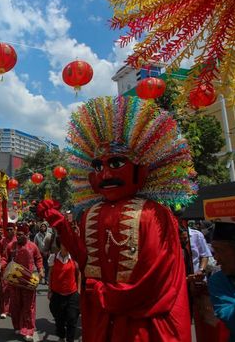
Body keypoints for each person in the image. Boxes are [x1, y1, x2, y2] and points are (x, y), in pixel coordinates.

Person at [38, 96, 196, 342]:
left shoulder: (154, 213)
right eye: (98, 166)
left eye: (116, 163)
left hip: (141, 323)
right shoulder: (91, 213)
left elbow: (156, 274)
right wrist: (58, 222)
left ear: (140, 168)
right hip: (101, 321)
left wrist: (107, 294)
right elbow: (84, 258)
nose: (106, 173)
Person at [1, 222, 44, 341]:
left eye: (21, 235)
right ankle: (18, 326)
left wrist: (41, 270)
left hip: (28, 281)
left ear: (26, 234)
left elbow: (39, 259)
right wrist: (2, 264)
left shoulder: (33, 246)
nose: (18, 236)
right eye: (17, 234)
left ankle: (28, 330)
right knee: (15, 306)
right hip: (14, 281)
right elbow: (5, 258)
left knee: (29, 307)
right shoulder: (11, 246)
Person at [48, 238, 80, 342]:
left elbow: (79, 274)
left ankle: (70, 339)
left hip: (72, 293)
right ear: (59, 245)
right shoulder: (53, 257)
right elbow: (50, 274)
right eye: (63, 244)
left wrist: (78, 291)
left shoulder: (74, 258)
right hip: (57, 293)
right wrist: (49, 290)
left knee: (72, 318)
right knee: (59, 318)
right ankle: (61, 335)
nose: (65, 246)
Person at [0, 222, 17, 319]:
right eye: (7, 229)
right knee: (4, 289)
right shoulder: (2, 241)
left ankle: (12, 309)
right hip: (5, 268)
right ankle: (4, 310)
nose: (9, 231)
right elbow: (0, 254)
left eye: (11, 229)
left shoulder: (18, 240)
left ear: (14, 230)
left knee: (14, 290)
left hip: (17, 269)